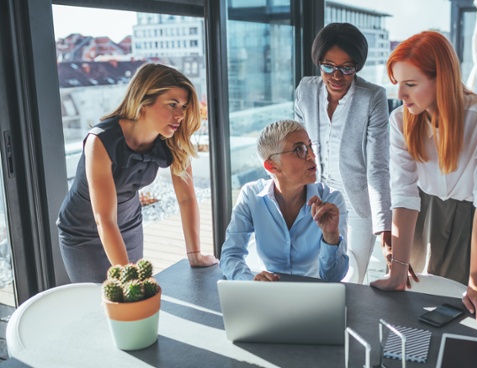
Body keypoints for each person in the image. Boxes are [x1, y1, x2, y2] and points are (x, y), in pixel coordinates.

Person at [370, 31, 477, 325]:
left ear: (440, 79)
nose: (400, 95)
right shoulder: (400, 121)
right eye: (397, 84)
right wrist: (396, 272)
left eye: (411, 84)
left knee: (467, 316)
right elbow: (404, 196)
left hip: (473, 222)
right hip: (421, 217)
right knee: (415, 311)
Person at [57, 63, 218, 283]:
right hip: (83, 231)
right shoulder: (101, 140)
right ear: (143, 103)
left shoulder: (172, 138)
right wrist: (129, 277)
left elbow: (187, 198)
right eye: (172, 104)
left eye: (183, 106)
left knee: (134, 301)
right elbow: (103, 218)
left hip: (128, 223)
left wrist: (195, 255)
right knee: (99, 301)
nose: (180, 115)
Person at [294, 22, 391, 284]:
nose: (337, 76)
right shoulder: (305, 91)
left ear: (357, 67)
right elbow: (297, 150)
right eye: (328, 66)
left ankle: (351, 325)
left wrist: (383, 227)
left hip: (358, 201)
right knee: (317, 271)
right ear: (318, 63)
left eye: (347, 68)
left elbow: (378, 167)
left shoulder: (373, 98)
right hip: (317, 198)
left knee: (354, 277)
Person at [220, 120, 349, 282]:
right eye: (299, 149)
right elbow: (230, 255)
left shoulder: (331, 200)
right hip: (269, 297)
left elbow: (333, 278)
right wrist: (249, 282)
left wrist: (331, 236)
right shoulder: (251, 196)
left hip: (315, 297)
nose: (312, 155)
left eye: (310, 146)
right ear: (272, 166)